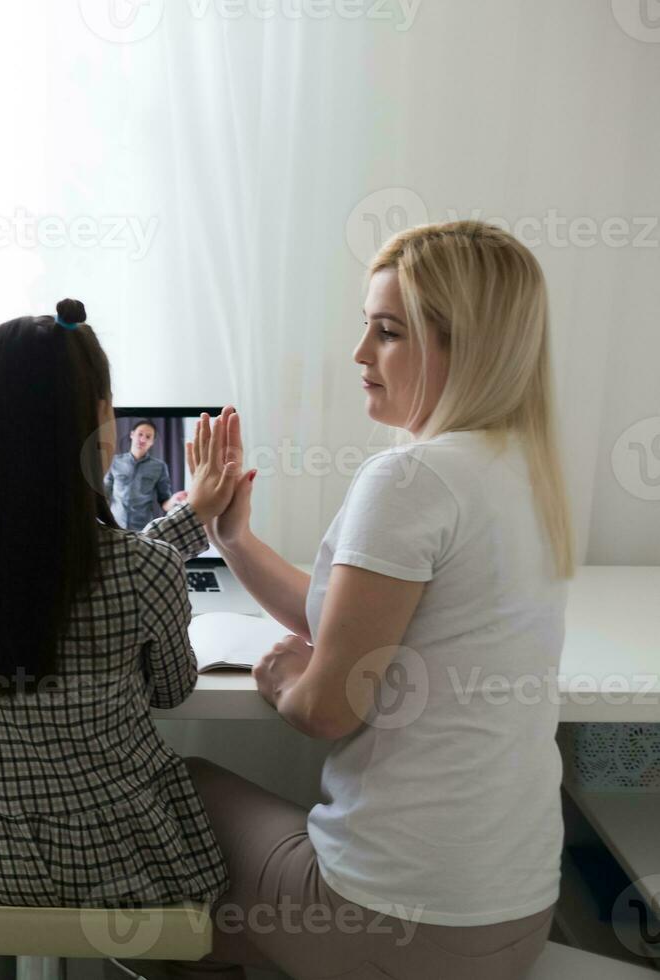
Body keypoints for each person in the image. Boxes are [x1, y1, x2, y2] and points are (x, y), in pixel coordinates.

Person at [124, 221, 573, 979]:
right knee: (224, 915)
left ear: (467, 348)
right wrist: (235, 539)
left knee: (180, 786)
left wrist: (283, 681)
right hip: (516, 916)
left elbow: (328, 711)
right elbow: (355, 620)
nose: (360, 355)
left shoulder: (412, 480)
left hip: (401, 925)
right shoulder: (525, 469)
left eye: (388, 333)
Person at [0, 298, 244, 909]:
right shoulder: (142, 570)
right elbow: (172, 690)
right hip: (121, 859)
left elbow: (88, 565)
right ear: (100, 420)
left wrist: (191, 518)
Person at [105, 419, 176, 530]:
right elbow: (105, 494)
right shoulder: (114, 462)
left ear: (152, 442)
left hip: (143, 530)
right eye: (140, 434)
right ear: (132, 435)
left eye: (148, 437)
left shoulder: (159, 467)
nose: (143, 439)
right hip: (115, 526)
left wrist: (175, 500)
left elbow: (164, 502)